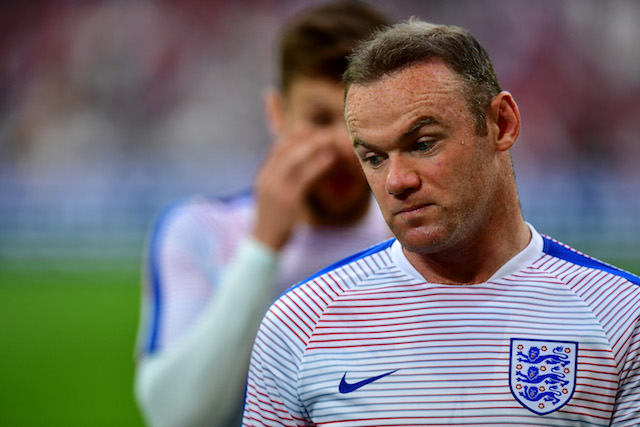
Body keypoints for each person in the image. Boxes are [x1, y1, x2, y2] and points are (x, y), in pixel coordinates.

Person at [241, 18, 640, 426]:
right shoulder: (299, 323)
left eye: (422, 144)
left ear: (502, 124)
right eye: (374, 158)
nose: (396, 181)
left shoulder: (622, 315)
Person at [133, 2, 392, 426]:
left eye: (358, 119)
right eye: (320, 118)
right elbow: (175, 416)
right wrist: (261, 249)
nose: (344, 146)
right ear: (276, 113)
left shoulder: (418, 239)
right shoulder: (201, 231)